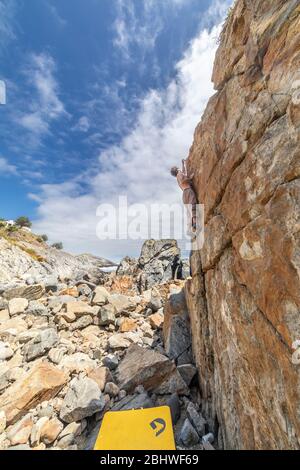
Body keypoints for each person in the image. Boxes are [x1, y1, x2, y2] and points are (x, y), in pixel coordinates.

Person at [171, 159, 197, 232]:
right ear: (176, 169)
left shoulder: (178, 176)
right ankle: (194, 222)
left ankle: (193, 224)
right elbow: (184, 179)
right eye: (176, 167)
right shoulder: (179, 175)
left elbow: (184, 173)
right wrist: (190, 178)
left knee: (190, 209)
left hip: (184, 193)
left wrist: (183, 164)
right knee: (193, 205)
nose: (177, 167)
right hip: (188, 191)